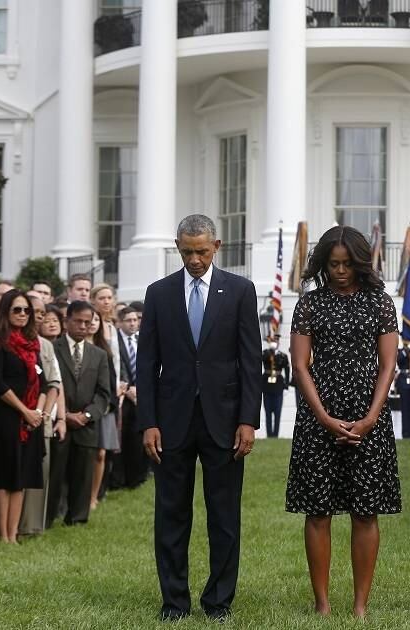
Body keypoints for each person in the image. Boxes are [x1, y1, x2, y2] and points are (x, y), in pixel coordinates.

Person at [138, 214, 261, 622]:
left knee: (224, 516)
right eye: (188, 251)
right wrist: (148, 421)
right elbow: (147, 364)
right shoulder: (158, 293)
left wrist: (248, 419)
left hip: (224, 422)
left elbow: (250, 361)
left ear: (217, 246)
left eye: (202, 251)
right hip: (171, 422)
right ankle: (174, 601)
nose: (194, 259)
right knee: (171, 514)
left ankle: (218, 601)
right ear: (177, 247)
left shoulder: (241, 291)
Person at [286, 225, 400, 619]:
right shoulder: (310, 304)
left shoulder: (380, 302)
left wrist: (371, 416)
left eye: (347, 264)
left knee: (365, 511)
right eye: (333, 264)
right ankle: (321, 604)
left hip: (369, 416)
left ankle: (360, 606)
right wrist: (323, 417)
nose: (340, 271)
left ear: (360, 263)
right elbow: (299, 366)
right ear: (323, 263)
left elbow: (388, 365)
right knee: (317, 511)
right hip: (319, 415)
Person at [0, 290, 49, 543]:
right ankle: (3, 536)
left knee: (20, 477)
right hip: (6, 418)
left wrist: (37, 413)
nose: (23, 314)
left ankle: (13, 535)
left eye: (26, 310)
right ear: (5, 312)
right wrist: (25, 411)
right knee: (4, 476)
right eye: (17, 310)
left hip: (30, 420)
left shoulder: (33, 343)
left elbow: (43, 383)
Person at [46, 300, 111, 527]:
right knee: (54, 472)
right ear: (67, 321)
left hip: (87, 425)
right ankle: (48, 515)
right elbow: (48, 386)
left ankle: (77, 517)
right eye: (78, 321)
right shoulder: (52, 348)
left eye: (88, 322)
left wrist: (87, 416)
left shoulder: (99, 355)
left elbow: (105, 394)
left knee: (83, 474)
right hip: (58, 421)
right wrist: (63, 414)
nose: (83, 326)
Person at [18, 295, 63, 537]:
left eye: (41, 312)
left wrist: (42, 414)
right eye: (31, 310)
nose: (36, 316)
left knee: (39, 473)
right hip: (15, 417)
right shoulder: (8, 341)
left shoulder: (45, 345)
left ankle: (32, 527)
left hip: (40, 421)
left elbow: (54, 383)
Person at [85, 308, 120, 509]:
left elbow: (111, 380)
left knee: (100, 453)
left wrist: (108, 405)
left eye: (95, 319)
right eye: (88, 319)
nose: (91, 322)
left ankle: (93, 497)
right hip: (81, 407)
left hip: (104, 407)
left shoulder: (104, 350)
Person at [116, 305, 147, 488]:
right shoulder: (115, 342)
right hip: (123, 395)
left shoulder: (141, 339)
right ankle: (121, 478)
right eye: (128, 320)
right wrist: (127, 388)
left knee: (138, 437)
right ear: (120, 322)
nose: (133, 323)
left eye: (135, 320)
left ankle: (138, 477)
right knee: (123, 439)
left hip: (141, 395)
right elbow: (116, 366)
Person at [261, 335, 289, 438]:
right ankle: (269, 435)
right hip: (267, 386)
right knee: (268, 412)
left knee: (277, 412)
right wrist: (270, 351)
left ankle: (275, 435)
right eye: (272, 341)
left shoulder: (282, 355)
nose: (274, 342)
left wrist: (286, 384)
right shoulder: (265, 353)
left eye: (276, 341)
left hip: (278, 385)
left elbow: (286, 369)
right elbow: (261, 360)